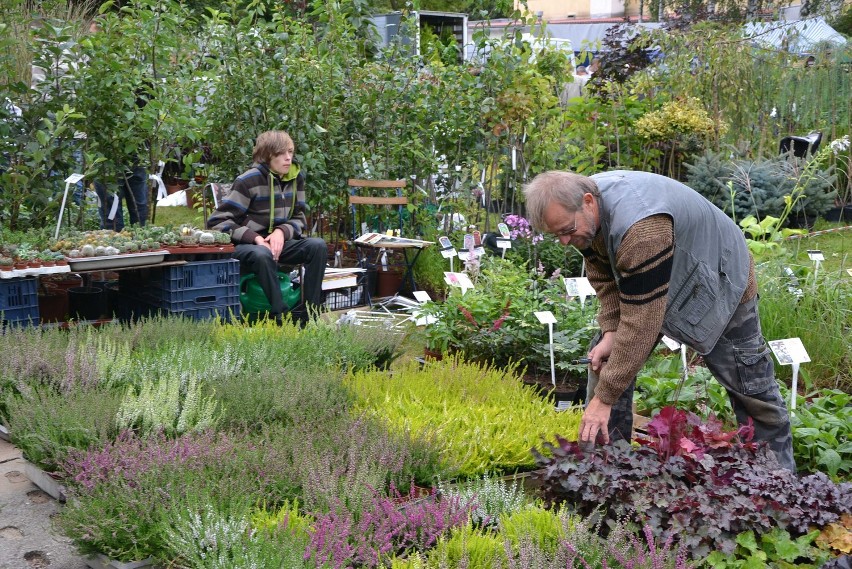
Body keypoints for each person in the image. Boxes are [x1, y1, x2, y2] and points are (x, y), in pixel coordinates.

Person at [524, 170, 795, 471]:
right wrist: (611, 330)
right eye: (556, 234)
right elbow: (600, 269)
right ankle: (605, 471)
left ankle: (777, 481)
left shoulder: (641, 229)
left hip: (720, 279)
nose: (564, 241)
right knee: (607, 355)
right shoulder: (584, 213)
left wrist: (603, 399)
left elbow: (641, 323)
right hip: (663, 278)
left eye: (567, 230)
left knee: (749, 383)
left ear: (588, 202)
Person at [207, 130, 327, 324]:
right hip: (248, 246)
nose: (288, 158)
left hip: (280, 243)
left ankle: (309, 314)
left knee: (318, 246)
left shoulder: (296, 178)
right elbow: (217, 222)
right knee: (262, 254)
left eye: (290, 152)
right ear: (266, 155)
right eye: (281, 153)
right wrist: (255, 238)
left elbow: (300, 217)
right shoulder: (248, 181)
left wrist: (282, 231)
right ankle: (280, 315)